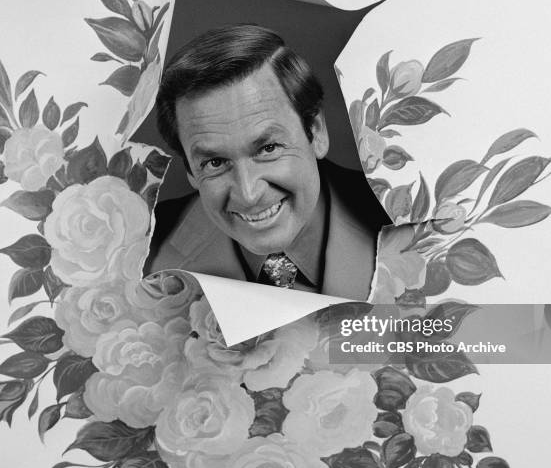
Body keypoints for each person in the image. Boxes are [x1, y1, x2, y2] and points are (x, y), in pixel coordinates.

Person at [145, 24, 390, 299]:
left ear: (317, 131)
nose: (248, 194)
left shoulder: (404, 219)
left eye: (268, 148)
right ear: (190, 170)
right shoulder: (142, 250)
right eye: (215, 163)